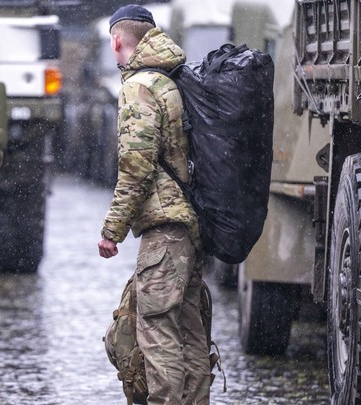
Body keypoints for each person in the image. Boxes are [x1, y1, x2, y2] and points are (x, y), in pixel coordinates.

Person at [97, 4, 211, 405]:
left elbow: (136, 166)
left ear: (116, 40)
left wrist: (112, 231)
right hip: (191, 226)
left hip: (164, 229)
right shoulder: (172, 78)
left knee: (158, 330)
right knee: (189, 330)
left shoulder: (140, 86)